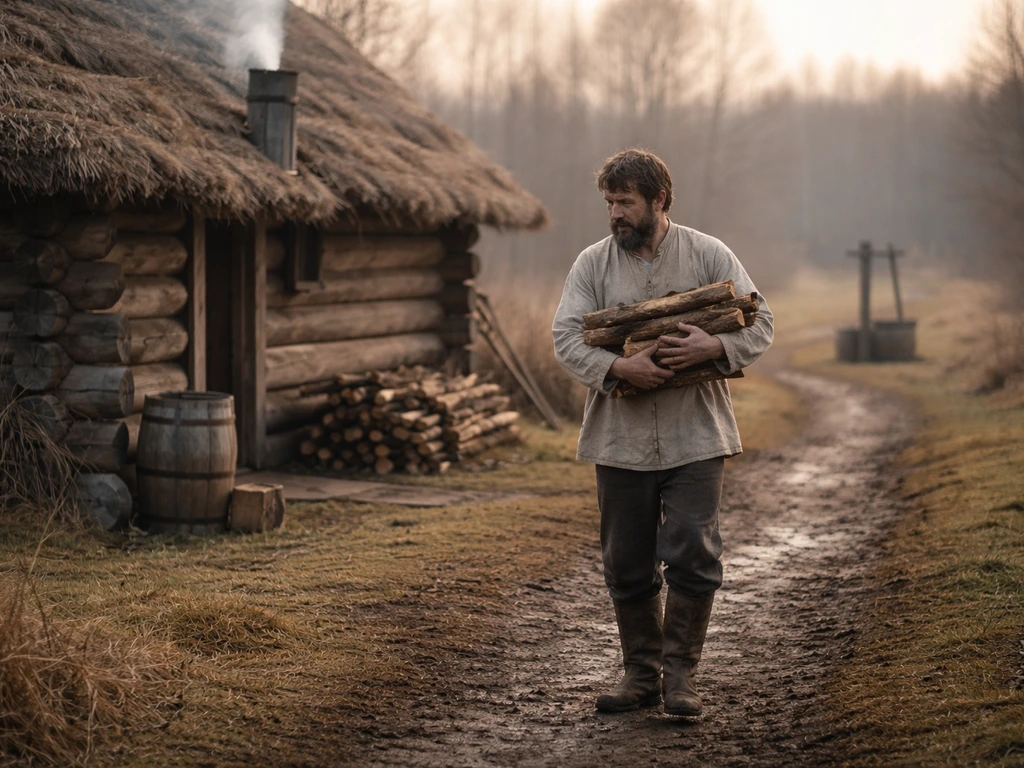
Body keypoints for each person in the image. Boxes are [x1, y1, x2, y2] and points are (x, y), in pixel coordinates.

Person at [552, 148, 774, 717]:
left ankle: (682, 681)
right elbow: (566, 339)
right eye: (609, 202)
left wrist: (716, 346)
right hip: (618, 442)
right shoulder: (592, 265)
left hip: (696, 437)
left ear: (660, 201)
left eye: (625, 202)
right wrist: (616, 367)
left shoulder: (709, 254)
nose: (615, 213)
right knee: (625, 561)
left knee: (693, 553)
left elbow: (762, 321)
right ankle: (640, 678)